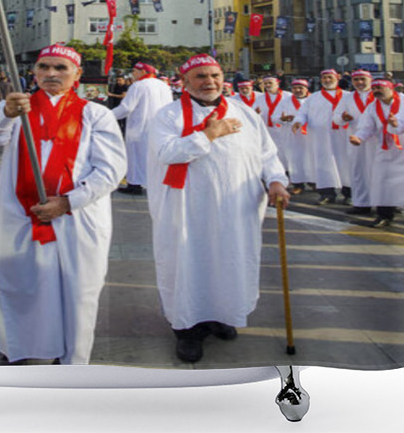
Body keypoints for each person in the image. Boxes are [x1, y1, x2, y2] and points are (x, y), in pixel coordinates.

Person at [0, 44, 126, 365]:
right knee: (21, 283)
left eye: (61, 68)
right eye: (45, 67)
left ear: (77, 74)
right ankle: (20, 347)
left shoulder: (95, 113)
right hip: (19, 214)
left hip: (77, 217)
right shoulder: (16, 107)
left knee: (79, 290)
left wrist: (68, 202)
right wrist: (5, 115)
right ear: (34, 72)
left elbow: (111, 169)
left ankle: (70, 359)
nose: (52, 74)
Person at [147, 54, 290, 363]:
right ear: (184, 82)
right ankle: (187, 329)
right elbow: (166, 152)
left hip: (234, 210)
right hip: (186, 210)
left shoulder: (245, 113)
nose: (209, 81)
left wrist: (277, 181)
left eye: (214, 75)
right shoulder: (169, 116)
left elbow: (267, 154)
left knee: (229, 261)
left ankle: (221, 315)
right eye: (200, 76)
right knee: (188, 265)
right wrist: (209, 134)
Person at [349, 78, 404, 228]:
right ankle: (384, 215)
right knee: (382, 182)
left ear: (391, 88)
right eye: (374, 88)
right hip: (387, 150)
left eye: (380, 87)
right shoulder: (372, 107)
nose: (377, 91)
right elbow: (366, 127)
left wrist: (396, 124)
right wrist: (359, 137)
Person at [111, 62, 173, 195]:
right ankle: (154, 184)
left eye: (135, 71)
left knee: (136, 157)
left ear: (143, 72)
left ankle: (134, 184)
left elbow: (126, 108)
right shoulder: (164, 85)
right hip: (159, 127)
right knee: (154, 157)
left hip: (139, 128)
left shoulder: (138, 86)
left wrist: (107, 116)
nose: (133, 73)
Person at [291, 69, 349, 205]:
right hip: (320, 137)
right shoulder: (313, 97)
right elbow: (302, 113)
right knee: (324, 164)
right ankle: (327, 193)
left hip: (343, 135)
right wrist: (298, 122)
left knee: (346, 164)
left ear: (337, 78)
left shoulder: (348, 96)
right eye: (324, 78)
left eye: (330, 77)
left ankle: (349, 193)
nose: (327, 80)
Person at [332, 69, 377, 214]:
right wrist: (342, 118)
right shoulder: (347, 98)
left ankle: (388, 204)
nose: (360, 83)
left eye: (363, 79)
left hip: (377, 139)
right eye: (356, 80)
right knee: (359, 171)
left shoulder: (378, 95)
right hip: (355, 138)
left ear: (370, 80)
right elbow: (336, 117)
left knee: (381, 171)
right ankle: (362, 203)